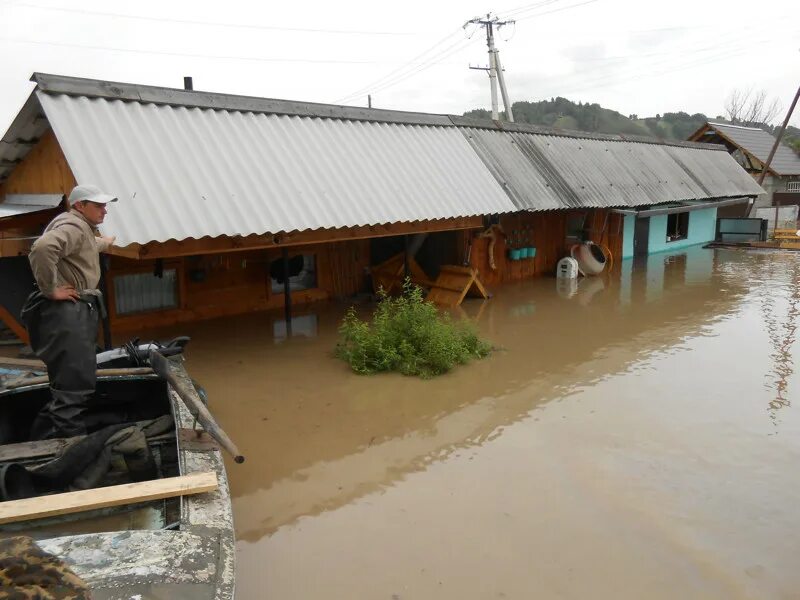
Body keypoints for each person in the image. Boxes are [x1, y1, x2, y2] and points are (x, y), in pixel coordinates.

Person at [21, 184, 117, 440]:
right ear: (79, 206)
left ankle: (59, 433)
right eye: (98, 205)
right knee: (74, 386)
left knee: (70, 376)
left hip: (72, 312)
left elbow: (80, 248)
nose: (104, 210)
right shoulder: (73, 226)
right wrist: (50, 289)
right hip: (67, 313)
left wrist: (102, 243)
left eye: (105, 205)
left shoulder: (78, 227)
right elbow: (42, 249)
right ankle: (74, 448)